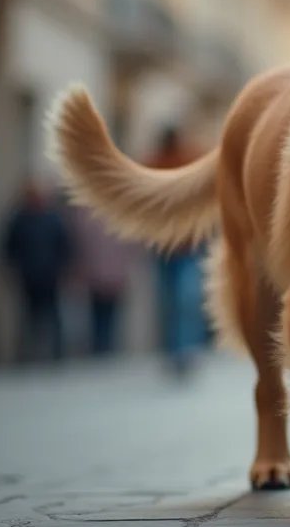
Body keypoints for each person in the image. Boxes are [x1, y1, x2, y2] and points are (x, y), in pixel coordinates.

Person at [147, 125, 209, 375]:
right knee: (180, 300)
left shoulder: (159, 165)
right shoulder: (184, 162)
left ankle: (182, 350)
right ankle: (180, 350)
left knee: (179, 300)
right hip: (177, 246)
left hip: (178, 246)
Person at [1, 180, 72, 362]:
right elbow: (9, 247)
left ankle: (56, 353)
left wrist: (62, 269)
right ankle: (27, 354)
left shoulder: (53, 220)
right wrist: (15, 268)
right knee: (29, 316)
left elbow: (65, 246)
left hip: (50, 276)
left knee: (53, 315)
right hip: (28, 276)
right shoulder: (19, 220)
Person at [68, 206, 136, 355]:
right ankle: (104, 351)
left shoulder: (88, 214)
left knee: (104, 319)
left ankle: (104, 350)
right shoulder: (116, 212)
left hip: (103, 277)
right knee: (102, 319)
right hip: (103, 277)